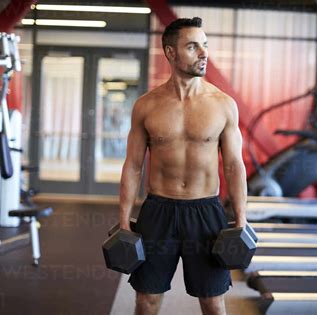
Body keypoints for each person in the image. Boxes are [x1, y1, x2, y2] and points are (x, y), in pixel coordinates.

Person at [119, 17, 247, 315]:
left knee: (213, 301)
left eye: (205, 45)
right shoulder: (147, 105)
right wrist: (124, 220)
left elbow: (233, 166)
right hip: (158, 211)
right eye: (193, 46)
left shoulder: (223, 104)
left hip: (206, 213)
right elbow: (133, 166)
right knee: (146, 300)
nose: (204, 53)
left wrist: (241, 219)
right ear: (171, 53)